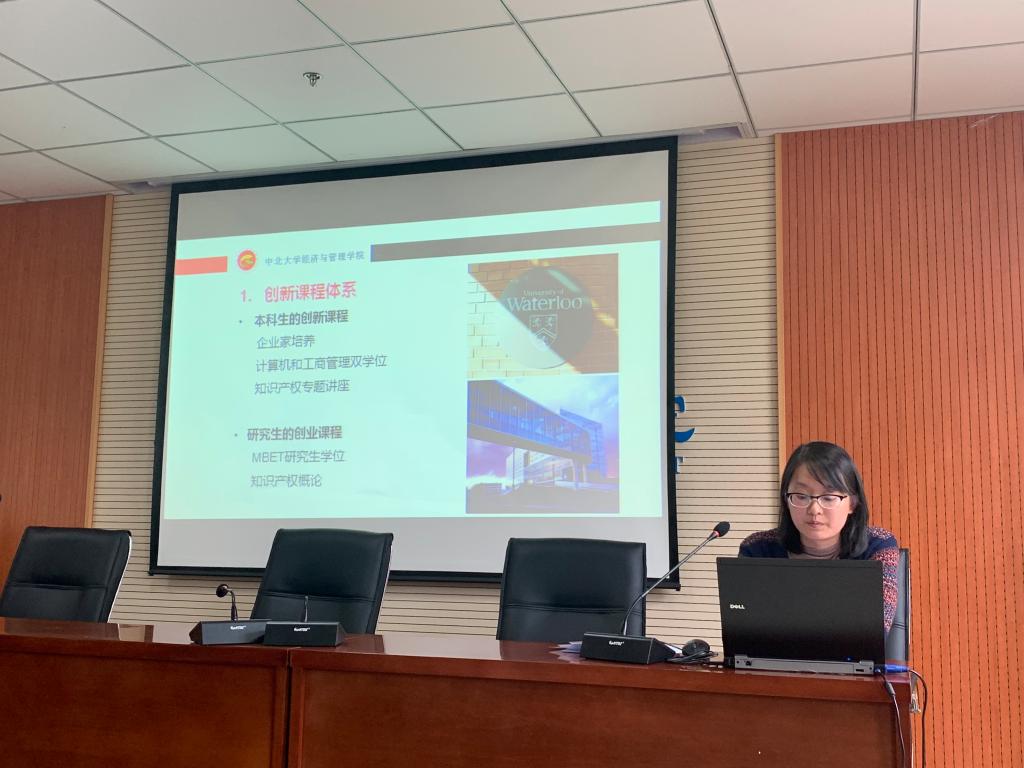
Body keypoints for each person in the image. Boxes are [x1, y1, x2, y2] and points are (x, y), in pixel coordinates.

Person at [739, 441, 900, 631]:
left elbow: (873, 632)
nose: (814, 509)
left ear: (852, 503)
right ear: (786, 499)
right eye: (801, 496)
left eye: (829, 497)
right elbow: (745, 631)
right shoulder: (757, 549)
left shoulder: (878, 547)